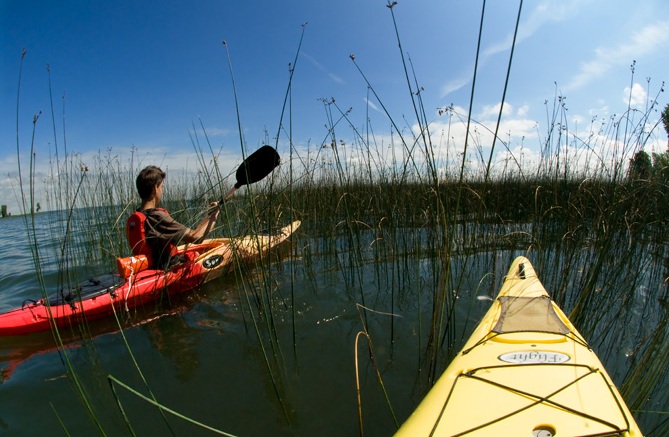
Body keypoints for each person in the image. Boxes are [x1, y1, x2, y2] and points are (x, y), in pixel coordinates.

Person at [127, 165, 219, 269]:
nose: (162, 191)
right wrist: (215, 213)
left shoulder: (138, 215)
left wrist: (209, 215)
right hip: (166, 268)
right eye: (161, 187)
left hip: (152, 267)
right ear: (155, 189)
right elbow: (197, 238)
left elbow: (191, 235)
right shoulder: (156, 217)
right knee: (197, 254)